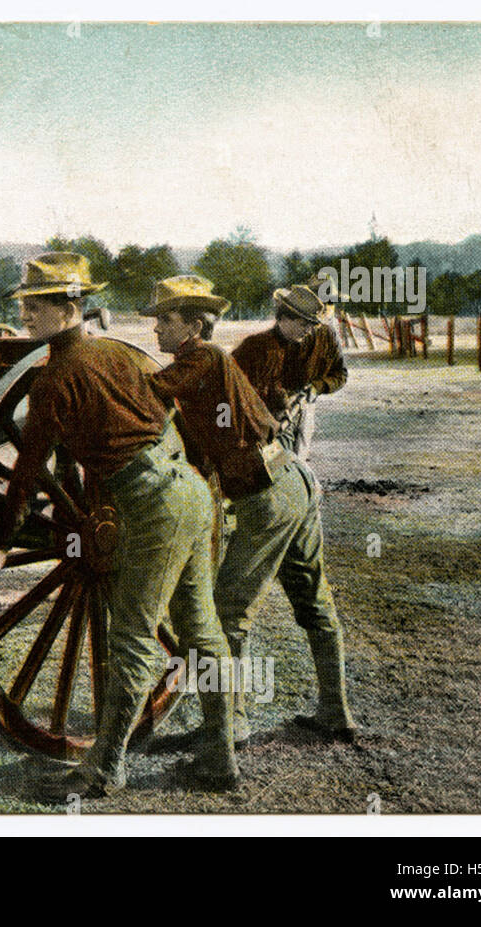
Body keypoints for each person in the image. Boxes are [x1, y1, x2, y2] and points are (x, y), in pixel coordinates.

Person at [0, 254, 239, 798]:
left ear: (68, 308)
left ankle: (104, 768)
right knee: (203, 630)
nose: (24, 315)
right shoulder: (121, 355)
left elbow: (26, 472)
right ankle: (220, 758)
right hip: (187, 492)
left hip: (152, 505)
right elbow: (166, 415)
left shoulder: (54, 379)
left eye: (34, 305)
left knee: (133, 637)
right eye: (23, 304)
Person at [146, 275, 358, 746]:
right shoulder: (223, 359)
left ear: (194, 327)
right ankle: (335, 711)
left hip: (267, 492)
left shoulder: (203, 357)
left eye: (165, 319)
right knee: (313, 600)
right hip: (295, 480)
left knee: (223, 616)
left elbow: (149, 391)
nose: (156, 328)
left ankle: (230, 726)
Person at [232, 284, 347, 461]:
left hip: (298, 409)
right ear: (284, 318)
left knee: (296, 462)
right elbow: (235, 390)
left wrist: (316, 387)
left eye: (330, 305)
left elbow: (340, 374)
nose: (308, 330)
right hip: (263, 421)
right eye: (304, 324)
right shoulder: (257, 346)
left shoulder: (321, 336)